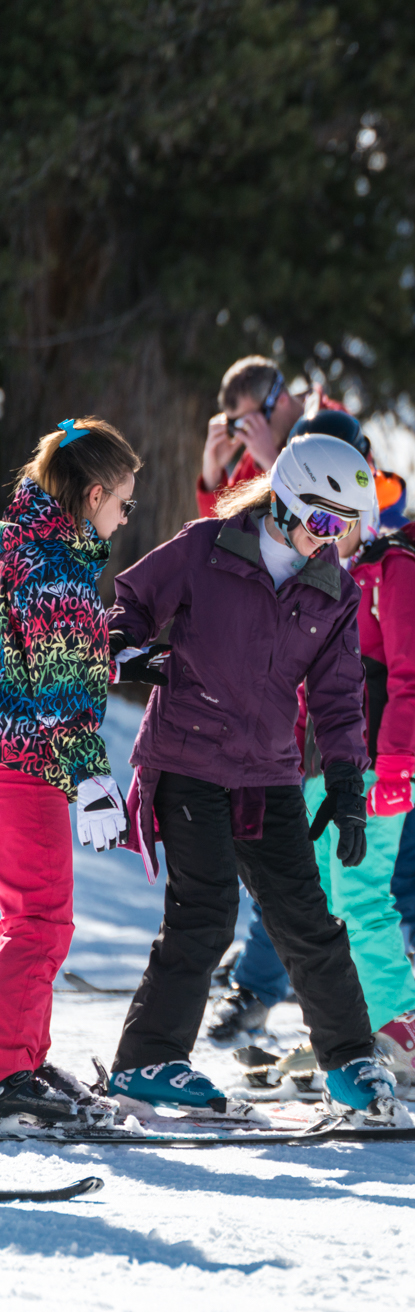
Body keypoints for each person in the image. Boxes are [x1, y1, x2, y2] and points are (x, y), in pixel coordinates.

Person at [107, 432, 397, 1115]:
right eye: (323, 521)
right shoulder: (206, 548)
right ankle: (147, 1060)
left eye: (344, 528)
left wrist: (349, 783)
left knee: (306, 916)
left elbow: (337, 694)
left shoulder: (334, 589)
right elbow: (134, 597)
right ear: (288, 502)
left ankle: (352, 1060)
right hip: (187, 754)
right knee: (205, 912)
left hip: (267, 771)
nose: (330, 540)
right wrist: (125, 643)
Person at [212, 412, 415, 1053]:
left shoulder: (394, 567)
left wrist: (399, 763)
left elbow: (412, 677)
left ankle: (396, 1033)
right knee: (315, 900)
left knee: (365, 893)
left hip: (376, 758)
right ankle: (345, 1034)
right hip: (319, 761)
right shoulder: (319, 573)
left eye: (333, 513)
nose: (318, 529)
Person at [0, 418, 140, 1123]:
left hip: (10, 750)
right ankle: (7, 1070)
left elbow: (30, 655)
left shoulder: (18, 542)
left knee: (23, 918)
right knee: (43, 921)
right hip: (26, 763)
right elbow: (58, 693)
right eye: (123, 501)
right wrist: (92, 780)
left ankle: (19, 1055)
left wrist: (111, 658)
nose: (124, 516)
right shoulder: (55, 562)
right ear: (92, 494)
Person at [196, 355, 306, 518]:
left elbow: (321, 524)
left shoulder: (336, 427)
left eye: (250, 421)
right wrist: (213, 472)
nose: (246, 434)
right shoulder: (254, 459)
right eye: (235, 425)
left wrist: (272, 461)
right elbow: (219, 533)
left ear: (281, 400)